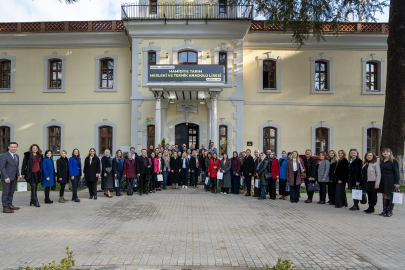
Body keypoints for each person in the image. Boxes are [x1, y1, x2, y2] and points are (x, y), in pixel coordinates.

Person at [378, 148, 400, 217]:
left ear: (390, 153)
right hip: (383, 181)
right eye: (384, 152)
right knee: (384, 194)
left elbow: (397, 172)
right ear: (381, 153)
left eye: (387, 152)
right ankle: (384, 210)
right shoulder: (382, 161)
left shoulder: (394, 161)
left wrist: (396, 182)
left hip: (391, 180)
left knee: (390, 195)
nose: (385, 153)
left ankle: (390, 211)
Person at [0, 142, 20, 213]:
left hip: (14, 177)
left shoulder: (16, 156)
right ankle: (5, 207)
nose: (13, 148)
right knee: (6, 192)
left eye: (15, 147)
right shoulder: (4, 156)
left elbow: (16, 167)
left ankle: (10, 205)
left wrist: (18, 175)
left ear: (17, 148)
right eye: (12, 147)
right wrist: (6, 177)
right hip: (7, 177)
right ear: (8, 147)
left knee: (11, 192)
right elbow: (2, 167)